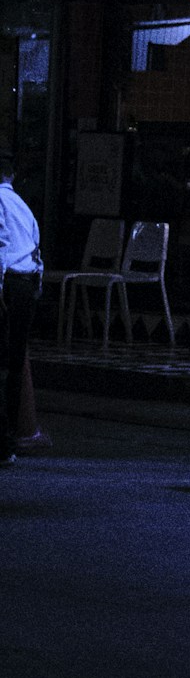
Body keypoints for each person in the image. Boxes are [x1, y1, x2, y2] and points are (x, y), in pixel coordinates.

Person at [0, 151, 43, 460]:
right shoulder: (23, 206)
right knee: (14, 365)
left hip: (6, 283)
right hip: (26, 283)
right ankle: (10, 441)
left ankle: (2, 441)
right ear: (11, 176)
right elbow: (35, 248)